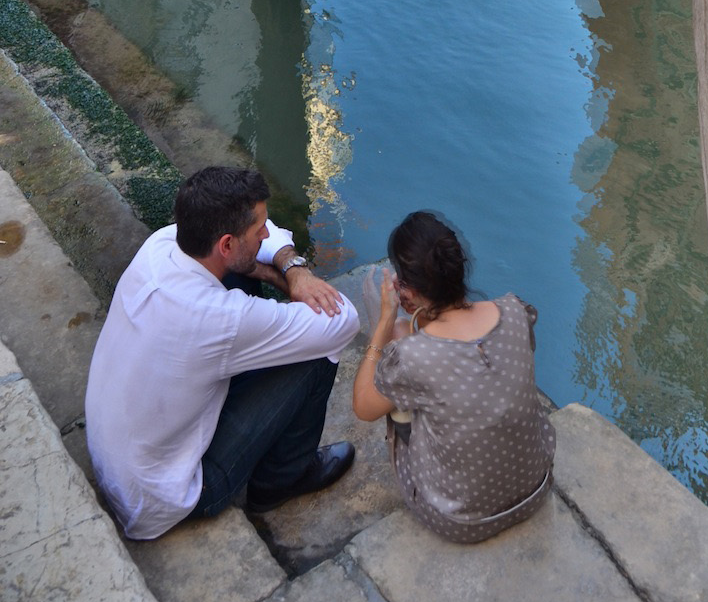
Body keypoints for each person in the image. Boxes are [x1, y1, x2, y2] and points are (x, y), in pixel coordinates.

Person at [85, 166, 360, 540]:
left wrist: (288, 268)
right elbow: (343, 320)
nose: (266, 232)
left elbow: (264, 239)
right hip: (164, 498)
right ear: (227, 244)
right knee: (315, 355)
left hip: (121, 463)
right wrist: (293, 277)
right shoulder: (218, 319)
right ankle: (281, 480)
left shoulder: (163, 245)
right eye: (257, 229)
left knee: (242, 272)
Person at [352, 211, 555, 544]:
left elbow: (363, 407)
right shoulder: (515, 310)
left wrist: (383, 324)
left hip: (463, 520)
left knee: (398, 347)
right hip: (536, 486)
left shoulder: (413, 357)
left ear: (409, 290)